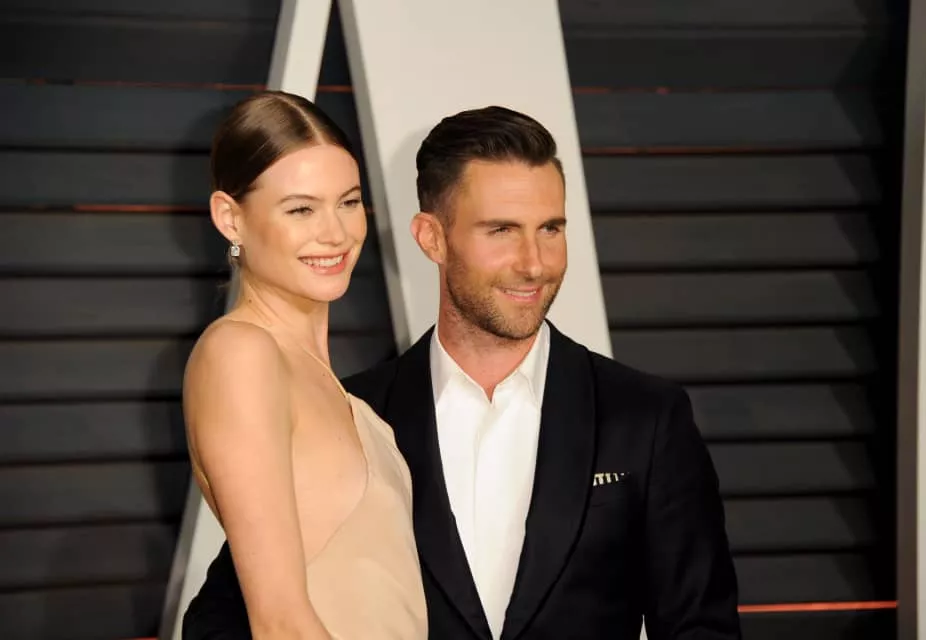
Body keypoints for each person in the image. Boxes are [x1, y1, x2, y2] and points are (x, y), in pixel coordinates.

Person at [184, 105, 741, 639]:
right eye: (501, 230)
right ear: (431, 237)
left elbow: (701, 627)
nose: (533, 263)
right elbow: (237, 617)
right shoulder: (354, 400)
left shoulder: (646, 418)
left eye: (550, 228)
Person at [181, 91, 427, 639]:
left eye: (348, 202)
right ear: (230, 218)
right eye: (301, 209)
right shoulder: (241, 355)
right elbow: (280, 622)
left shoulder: (330, 383)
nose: (335, 233)